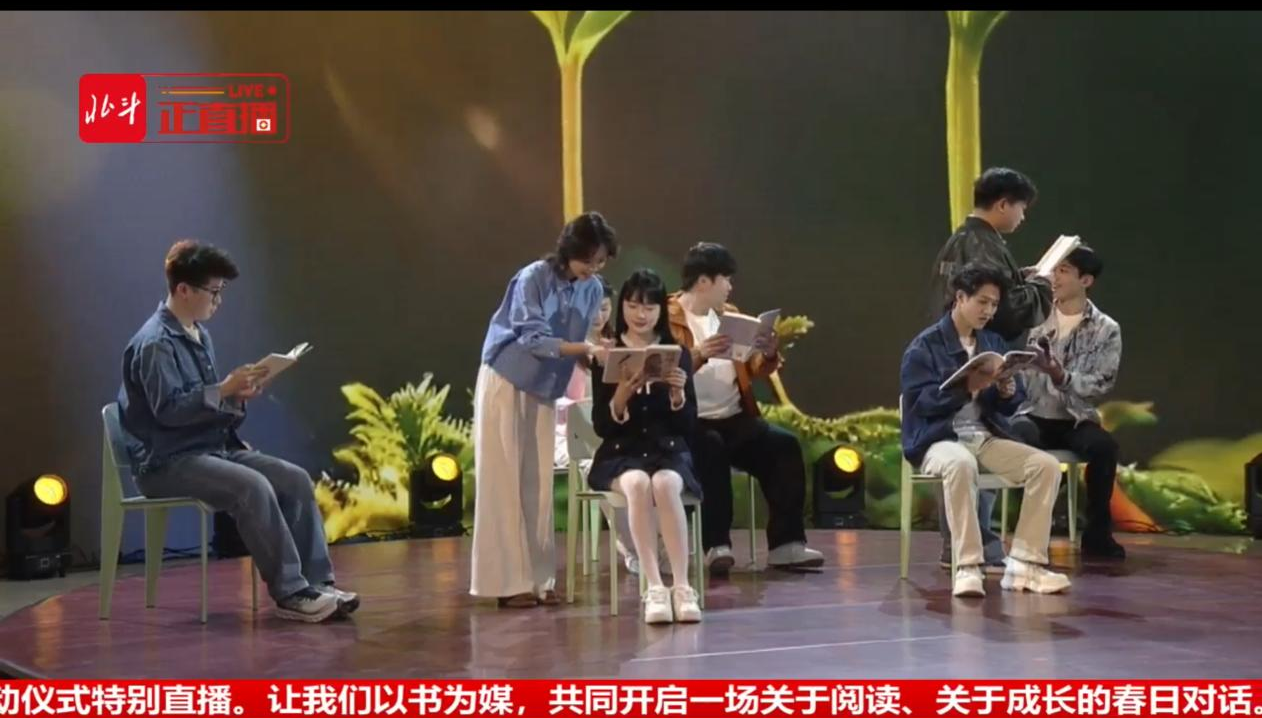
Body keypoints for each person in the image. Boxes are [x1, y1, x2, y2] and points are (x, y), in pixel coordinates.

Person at [119, 240, 357, 623]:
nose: (218, 301)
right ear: (184, 289)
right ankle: (292, 593)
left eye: (221, 291)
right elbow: (168, 412)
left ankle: (319, 584)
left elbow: (206, 409)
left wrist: (236, 397)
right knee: (252, 487)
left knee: (295, 479)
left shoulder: (199, 335)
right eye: (213, 292)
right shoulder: (155, 344)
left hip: (210, 450)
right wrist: (223, 389)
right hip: (167, 461)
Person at [470, 211, 618, 608]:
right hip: (507, 379)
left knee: (537, 483)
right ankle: (507, 584)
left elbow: (578, 344)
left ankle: (539, 579)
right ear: (570, 250)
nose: (593, 268)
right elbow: (533, 339)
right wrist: (587, 349)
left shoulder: (592, 289)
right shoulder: (533, 277)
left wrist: (602, 358)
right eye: (588, 259)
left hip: (546, 387)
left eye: (600, 261)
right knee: (503, 480)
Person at [900, 263, 1070, 597]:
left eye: (993, 304)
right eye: (982, 302)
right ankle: (967, 566)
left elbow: (1007, 406)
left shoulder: (992, 341)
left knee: (1045, 466)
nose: (989, 311)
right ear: (960, 298)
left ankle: (1025, 566)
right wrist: (967, 388)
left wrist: (1007, 391)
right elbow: (920, 406)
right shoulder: (925, 347)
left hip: (984, 436)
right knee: (960, 463)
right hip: (938, 438)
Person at [667, 242, 822, 575]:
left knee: (783, 446)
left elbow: (750, 366)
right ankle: (716, 545)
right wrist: (699, 354)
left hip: (734, 417)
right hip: (690, 421)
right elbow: (664, 372)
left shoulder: (729, 314)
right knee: (710, 448)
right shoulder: (668, 318)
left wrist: (767, 353)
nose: (730, 287)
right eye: (725, 279)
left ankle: (786, 544)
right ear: (704, 281)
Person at [927, 167, 1053, 572]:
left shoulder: (962, 240)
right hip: (971, 362)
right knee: (973, 446)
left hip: (966, 359)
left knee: (993, 443)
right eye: (1021, 208)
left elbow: (1002, 295)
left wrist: (1020, 280)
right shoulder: (982, 245)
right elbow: (1010, 311)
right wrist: (1041, 287)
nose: (1022, 217)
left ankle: (980, 546)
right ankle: (974, 545)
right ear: (1002, 204)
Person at [590, 269, 702, 624]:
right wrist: (620, 397)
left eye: (650, 307)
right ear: (622, 306)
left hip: (667, 449)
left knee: (665, 483)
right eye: (633, 305)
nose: (641, 315)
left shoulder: (678, 354)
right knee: (638, 483)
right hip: (621, 452)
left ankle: (682, 586)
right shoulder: (607, 354)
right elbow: (601, 425)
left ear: (660, 311)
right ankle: (654, 587)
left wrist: (678, 395)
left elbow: (689, 426)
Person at [1010, 245, 1126, 559]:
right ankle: (1029, 533)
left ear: (1085, 280)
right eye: (1054, 270)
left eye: (1063, 271)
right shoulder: (1036, 317)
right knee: (1016, 438)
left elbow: (1101, 382)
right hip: (1033, 412)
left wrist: (1060, 375)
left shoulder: (1106, 329)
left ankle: (1097, 535)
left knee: (1104, 448)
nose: (1054, 277)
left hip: (1075, 418)